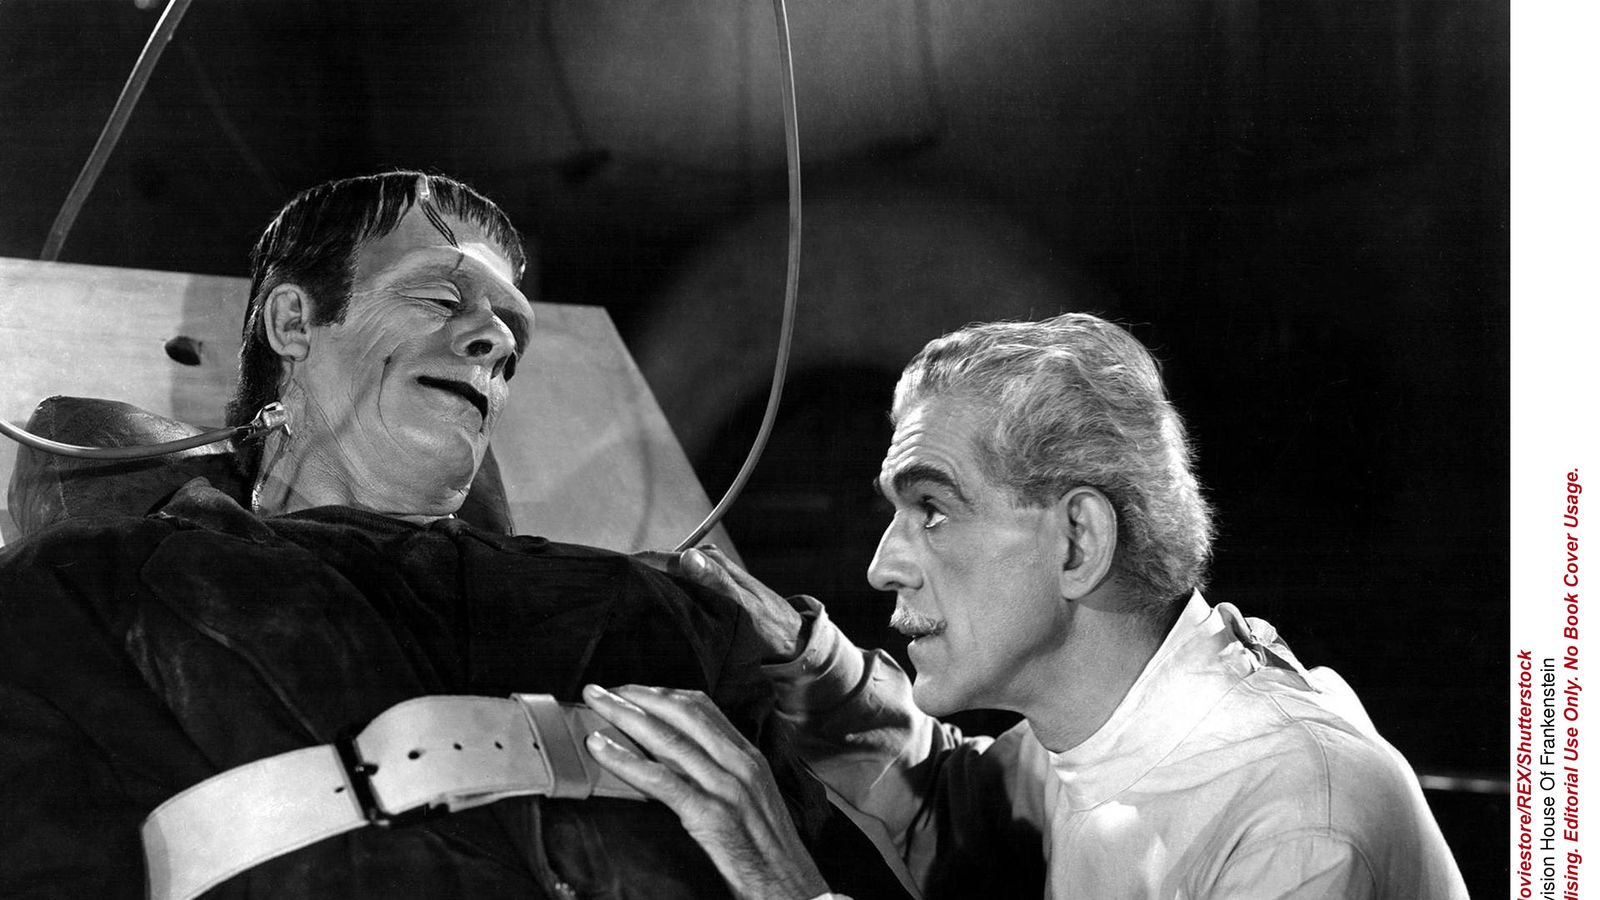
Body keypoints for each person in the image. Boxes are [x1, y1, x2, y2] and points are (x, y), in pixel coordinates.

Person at [0, 171, 906, 900]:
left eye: (512, 331)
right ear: (294, 321)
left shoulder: (665, 612)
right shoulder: (87, 592)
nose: (495, 341)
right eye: (440, 298)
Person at [580, 313, 1471, 899]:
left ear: (1078, 541)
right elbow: (953, 804)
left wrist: (780, 882)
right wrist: (804, 660)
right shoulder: (1104, 722)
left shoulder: (1300, 822)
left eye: (932, 510)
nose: (883, 566)